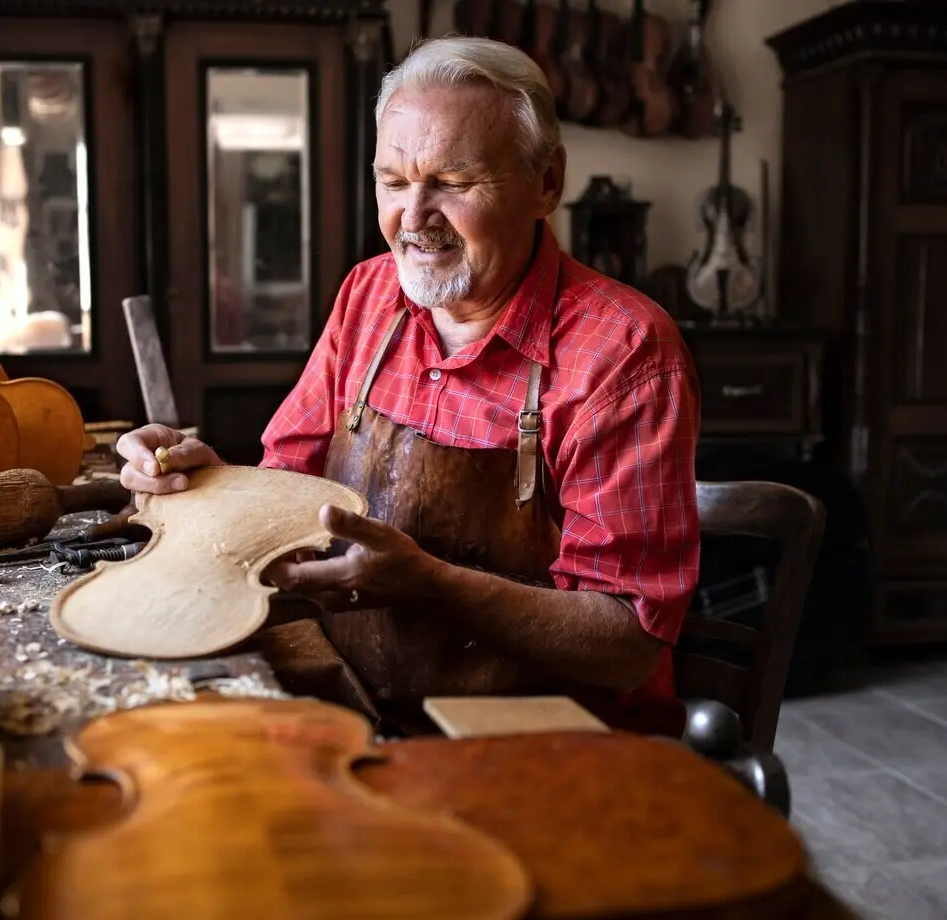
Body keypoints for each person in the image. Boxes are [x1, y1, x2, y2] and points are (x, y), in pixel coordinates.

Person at [117, 35, 701, 737]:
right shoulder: (369, 296)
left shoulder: (624, 352)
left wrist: (431, 583)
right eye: (393, 182)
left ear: (547, 183)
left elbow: (626, 643)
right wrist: (207, 486)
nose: (414, 217)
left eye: (453, 183)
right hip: (367, 700)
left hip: (555, 732)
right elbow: (287, 489)